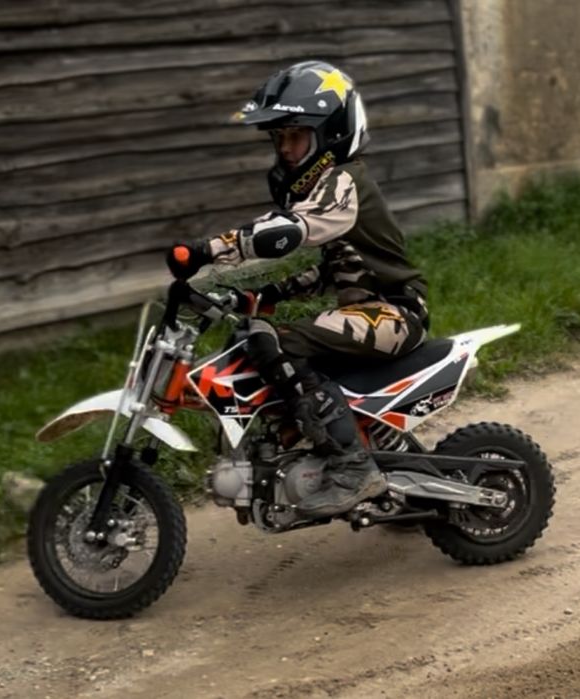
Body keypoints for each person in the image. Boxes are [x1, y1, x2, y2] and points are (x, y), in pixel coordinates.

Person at [166, 60, 429, 519]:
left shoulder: (345, 181)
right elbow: (337, 270)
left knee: (281, 342)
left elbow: (290, 230)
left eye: (296, 136)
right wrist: (260, 296)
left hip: (396, 314)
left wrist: (208, 250)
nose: (285, 149)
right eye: (279, 138)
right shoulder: (330, 187)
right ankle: (297, 443)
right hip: (368, 313)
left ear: (330, 134)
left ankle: (352, 466)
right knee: (249, 337)